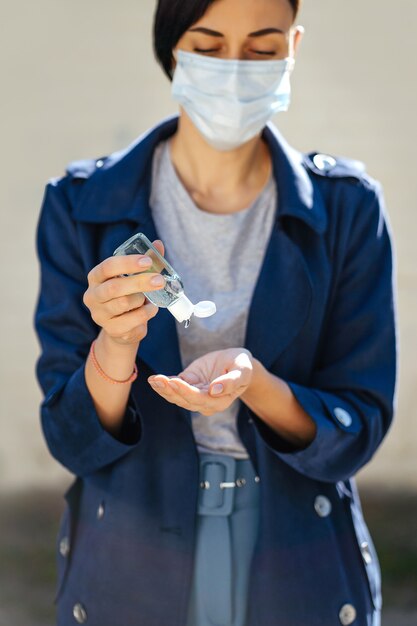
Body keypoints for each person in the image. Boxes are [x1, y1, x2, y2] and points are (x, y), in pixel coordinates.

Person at [33, 0, 398, 625]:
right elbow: (72, 438)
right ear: (171, 50)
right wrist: (115, 347)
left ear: (293, 47)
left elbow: (357, 424)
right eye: (207, 45)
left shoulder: (347, 211)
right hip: (130, 561)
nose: (234, 70)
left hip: (298, 565)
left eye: (261, 49)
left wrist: (255, 384)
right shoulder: (80, 205)